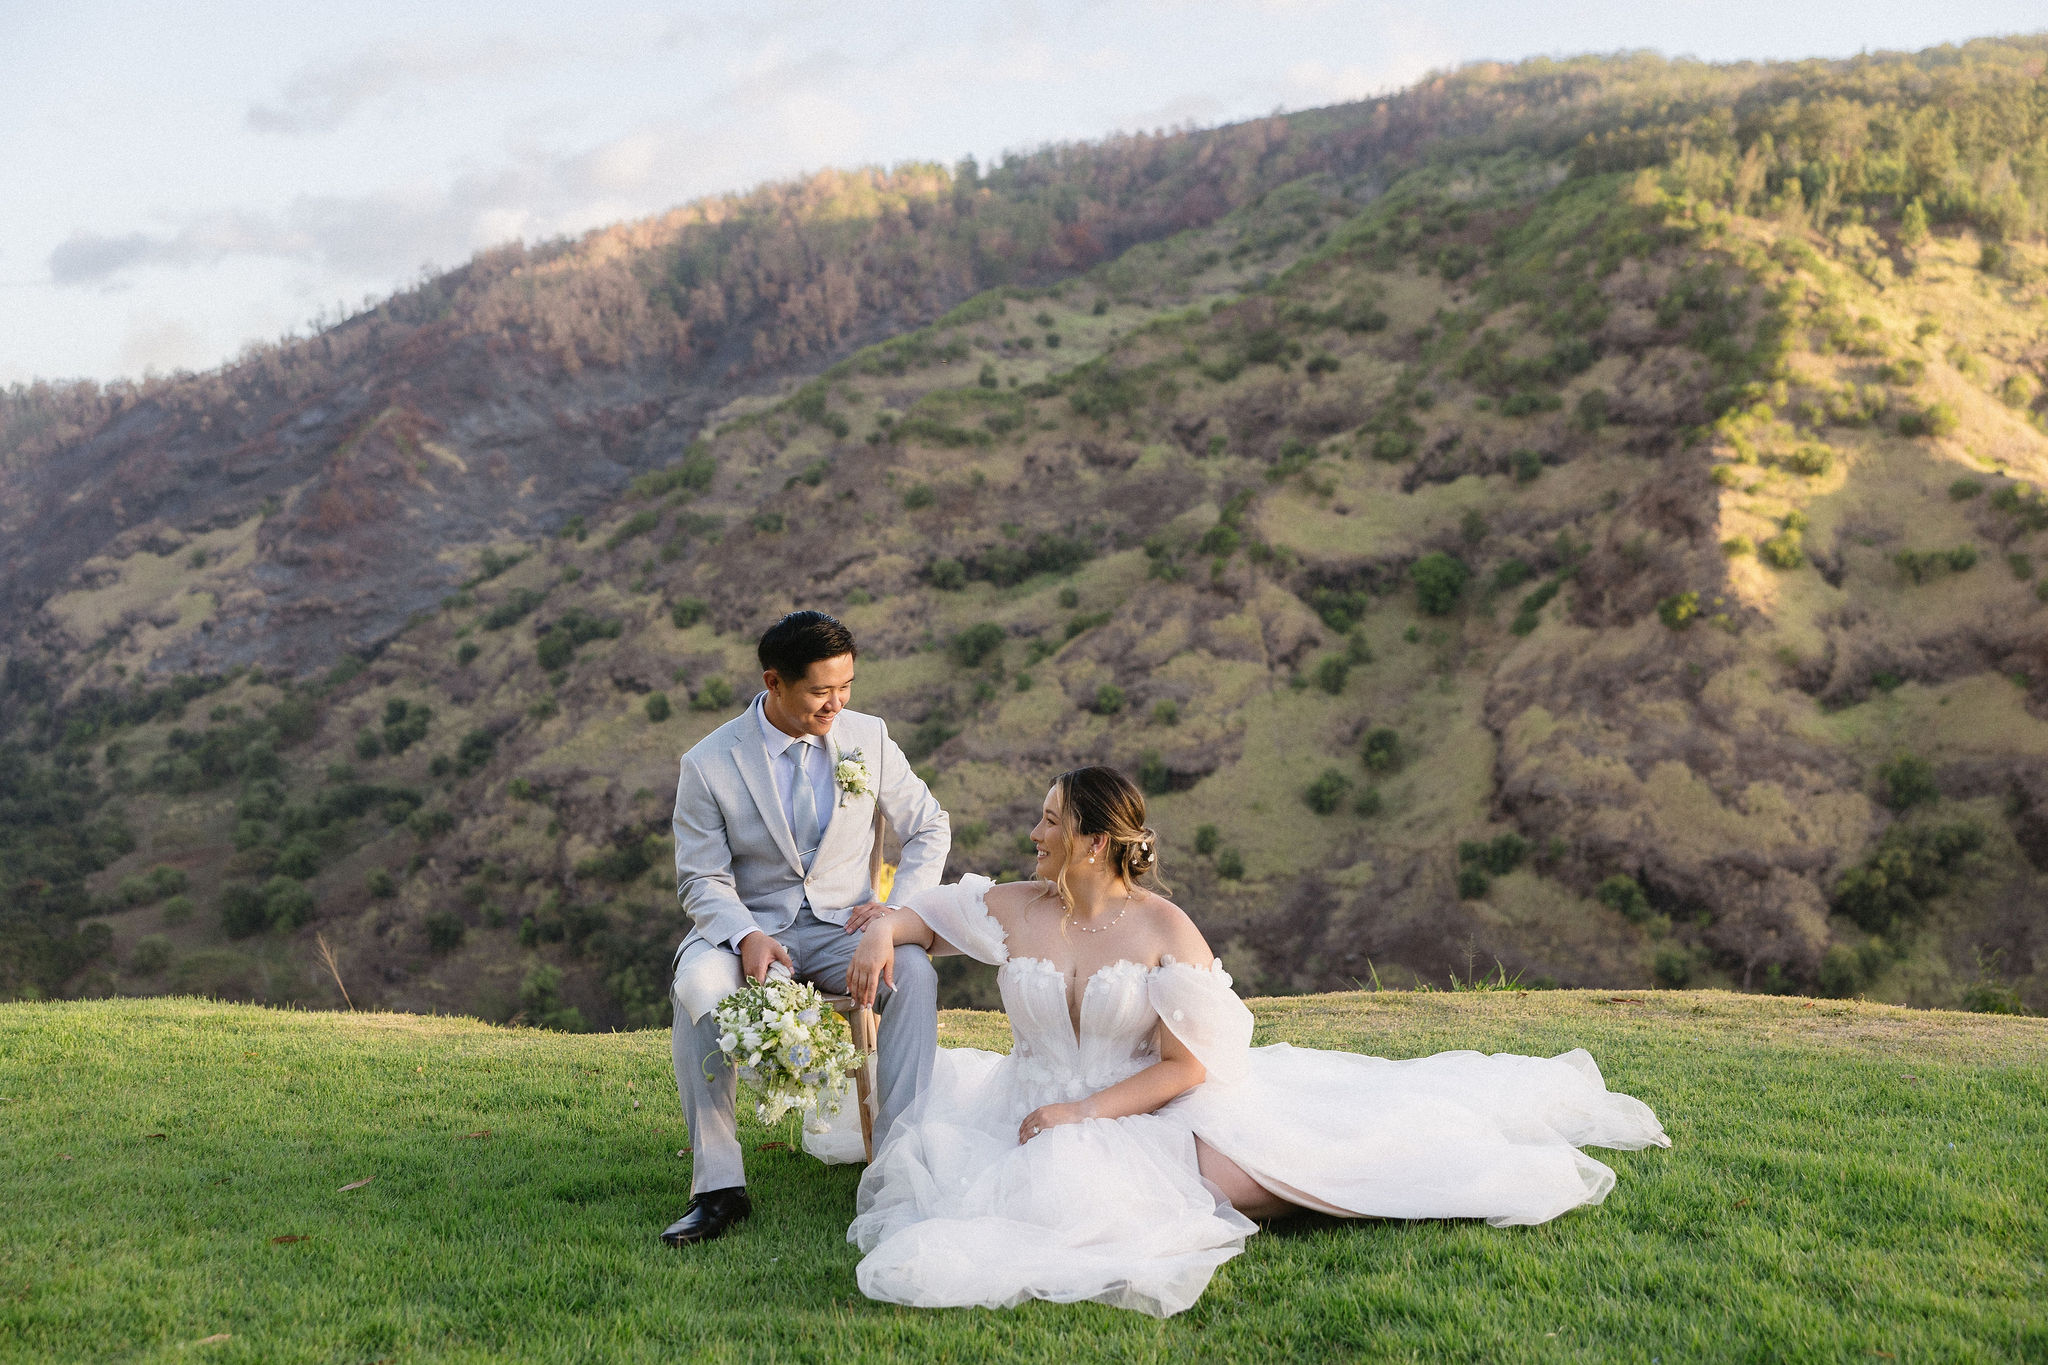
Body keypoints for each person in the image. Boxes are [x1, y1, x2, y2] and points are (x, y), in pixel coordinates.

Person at [837, 766, 1671, 1316]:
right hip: (1022, 1098)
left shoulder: (1166, 928)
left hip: (1137, 1098)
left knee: (1252, 1176)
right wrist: (881, 937)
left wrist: (1083, 1111)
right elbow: (923, 916)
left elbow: (1187, 1063)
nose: (1033, 832)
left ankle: (1389, 1162)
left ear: (1095, 841)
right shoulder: (1018, 904)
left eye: (1050, 820)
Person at [660, 610, 950, 1247]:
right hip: (749, 933)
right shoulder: (708, 763)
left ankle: (900, 1168)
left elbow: (930, 826)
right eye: (822, 691)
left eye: (846, 686)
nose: (837, 703)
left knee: (917, 973)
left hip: (844, 924)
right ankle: (718, 1188)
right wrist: (744, 936)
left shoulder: (867, 738)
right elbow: (700, 880)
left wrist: (894, 910)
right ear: (775, 682)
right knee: (697, 989)